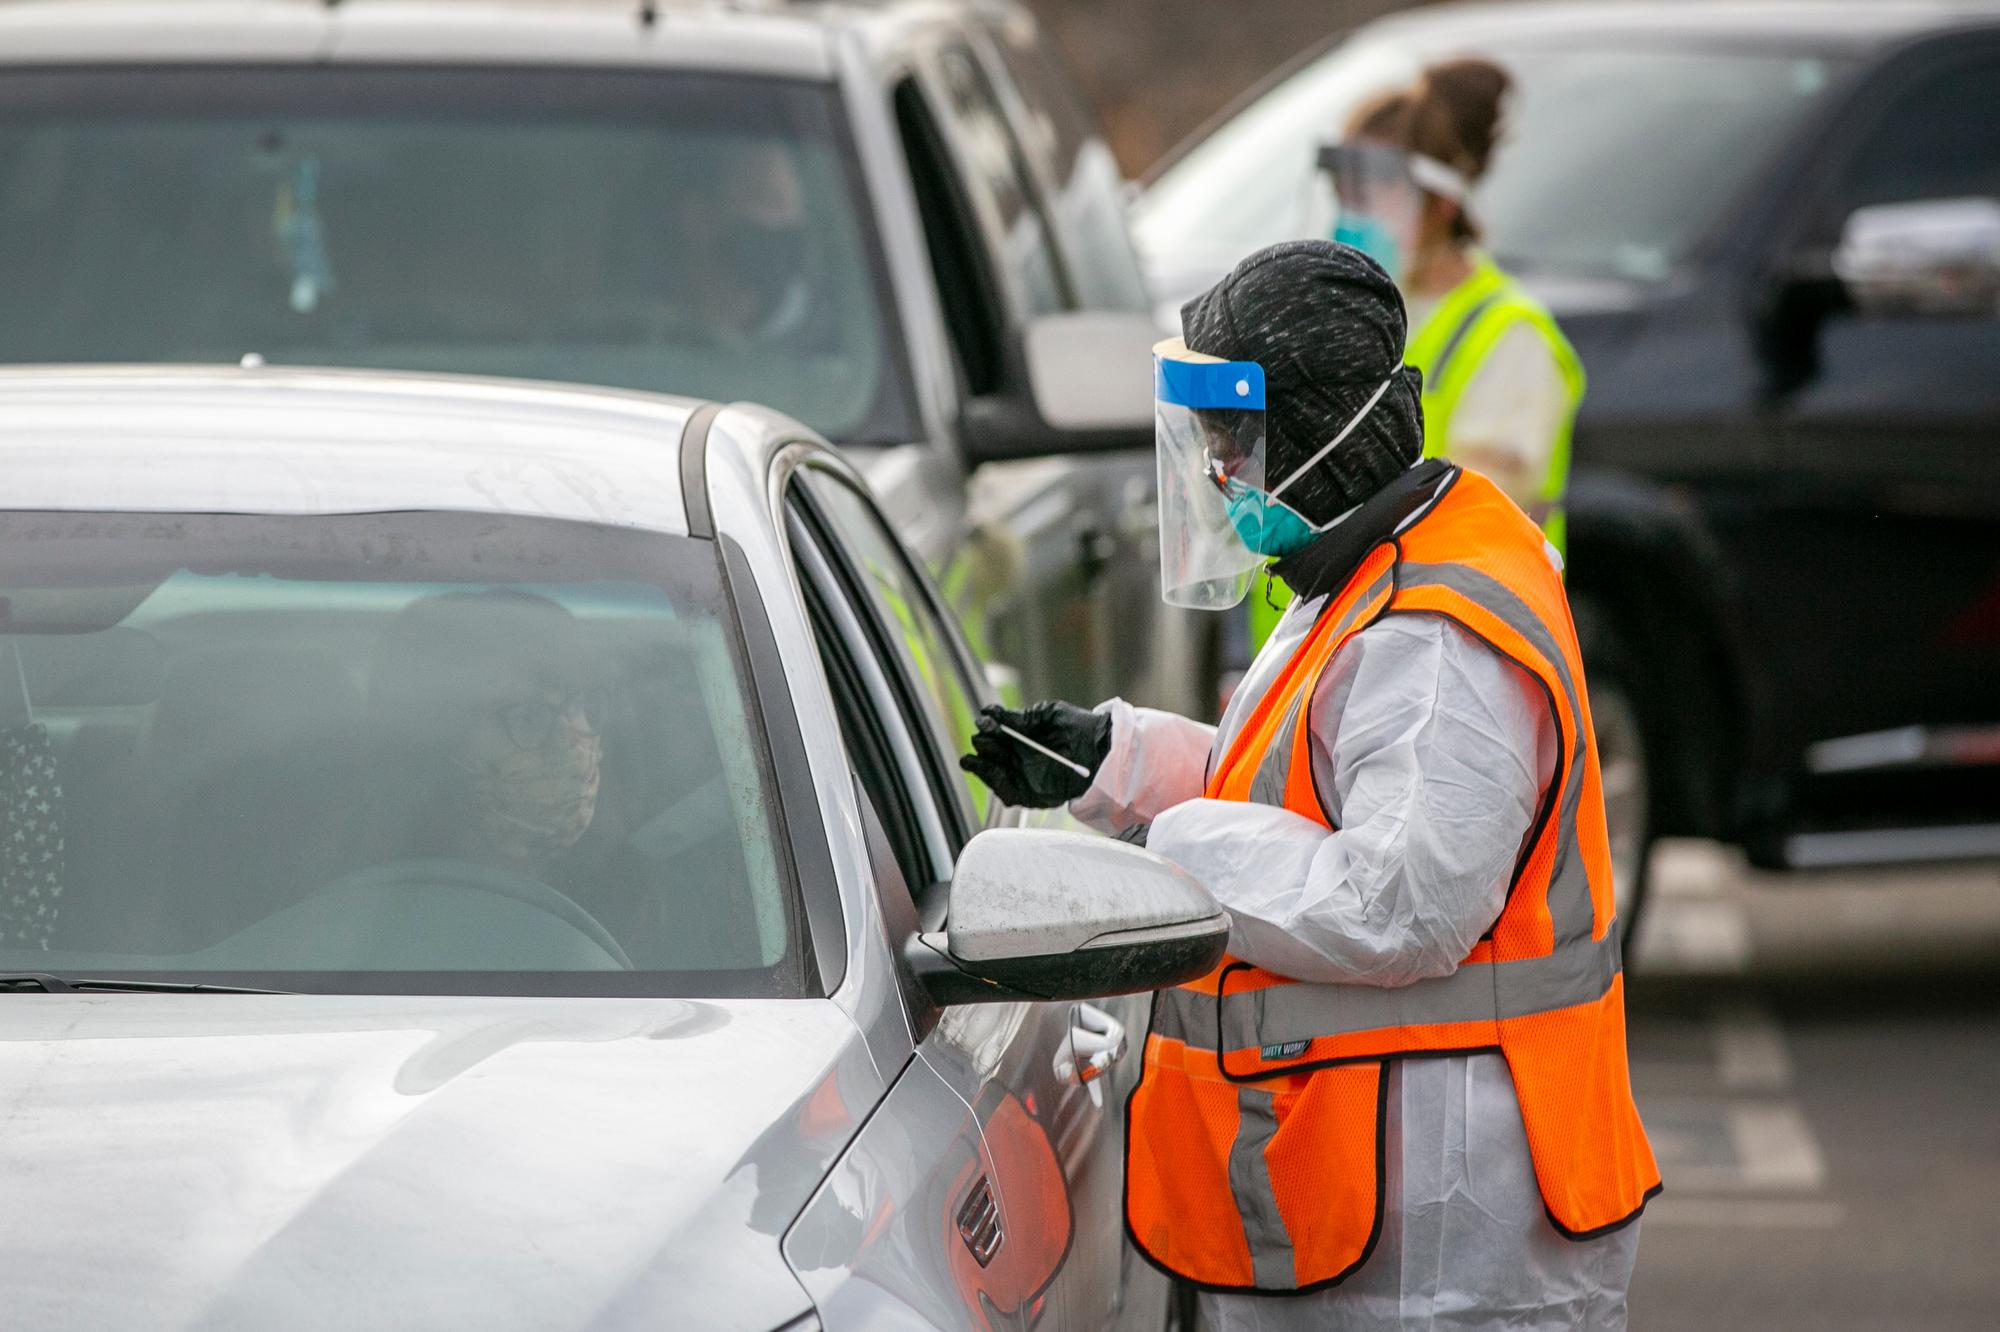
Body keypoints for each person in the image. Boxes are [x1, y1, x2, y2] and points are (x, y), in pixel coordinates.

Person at [961, 242, 1657, 1329]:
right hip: (1375, 1201)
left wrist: (1164, 859)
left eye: (1233, 439)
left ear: (1322, 433)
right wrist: (1116, 762)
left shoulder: (1435, 641)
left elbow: (1398, 904)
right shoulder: (1368, 566)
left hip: (1443, 1241)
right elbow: (1301, 792)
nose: (1218, 472)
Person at [1248, 58, 1584, 656]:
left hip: (1451, 661)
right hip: (1319, 659)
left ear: (1442, 202)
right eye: (1343, 193)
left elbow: (1454, 523)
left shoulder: (1510, 338)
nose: (1351, 215)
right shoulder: (1356, 318)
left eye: (1372, 195)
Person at [361, 590, 605, 878]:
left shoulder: (636, 895)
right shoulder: (362, 888)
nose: (568, 744)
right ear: (438, 739)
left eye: (576, 705)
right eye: (526, 716)